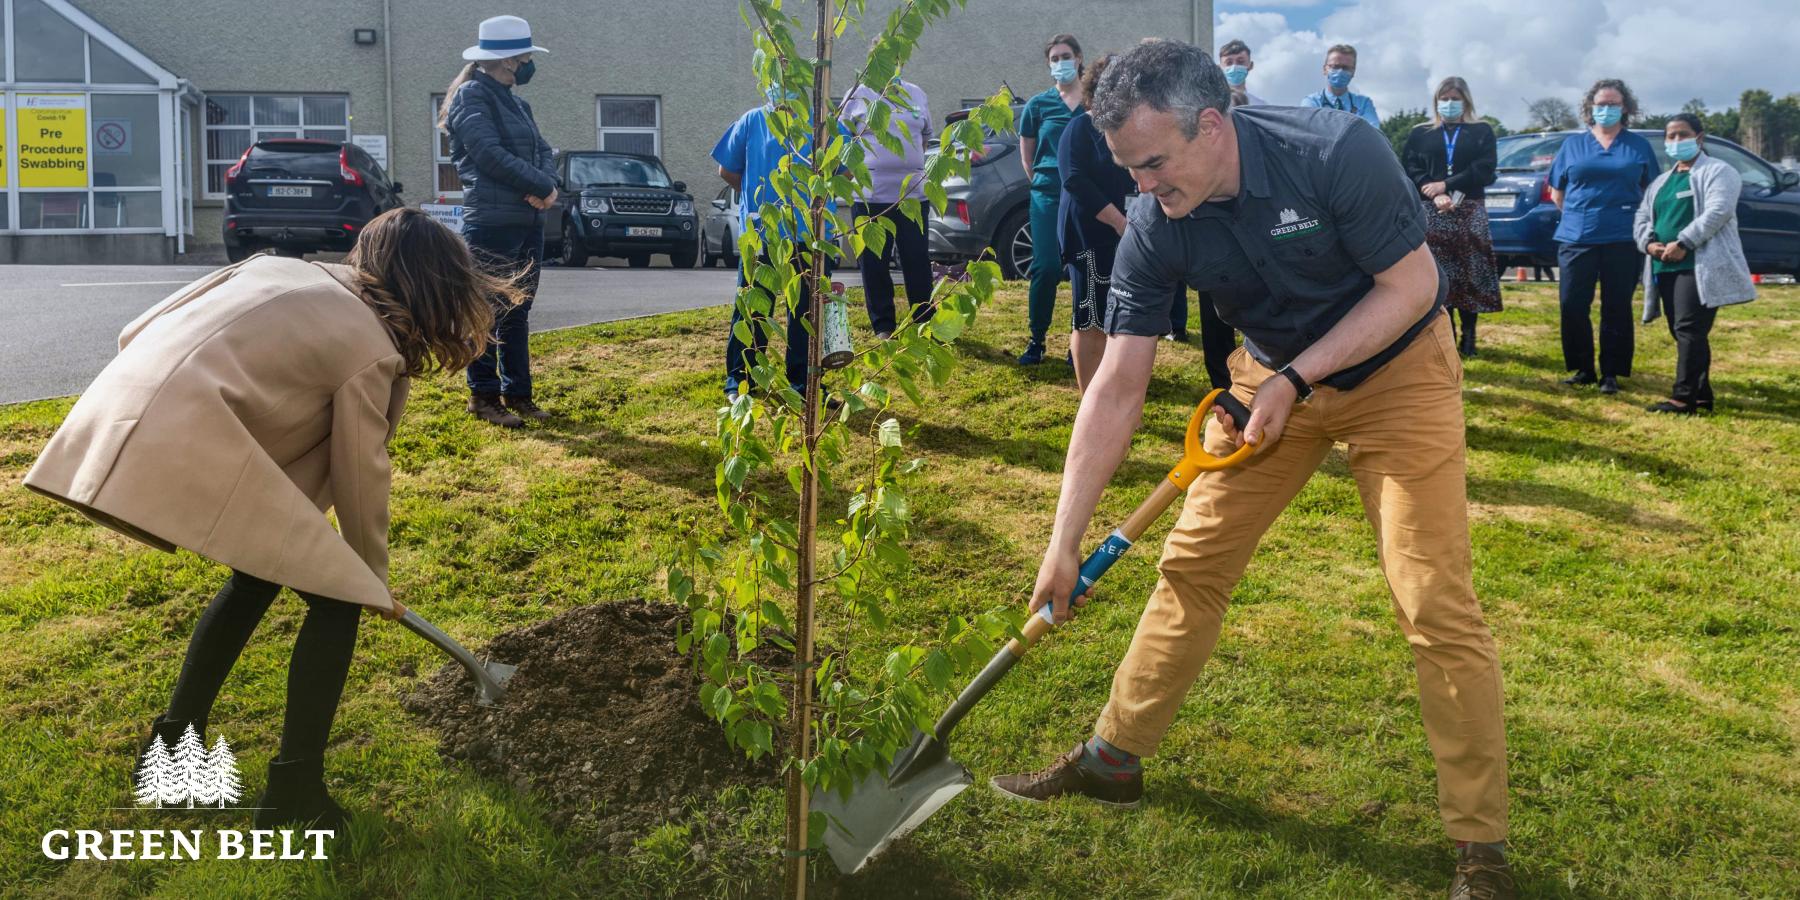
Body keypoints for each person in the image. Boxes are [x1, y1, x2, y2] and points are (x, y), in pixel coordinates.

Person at [989, 40, 1514, 900]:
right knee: (1191, 564)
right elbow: (1118, 385)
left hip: (1398, 375)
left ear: (1211, 124)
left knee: (1432, 600)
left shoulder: (1333, 152)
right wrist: (1064, 539)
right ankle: (1115, 758)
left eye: (1155, 164)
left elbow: (1414, 285)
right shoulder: (1155, 221)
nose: (1144, 190)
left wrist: (1301, 378)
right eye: (1130, 171)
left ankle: (1479, 847)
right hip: (1267, 376)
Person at [24, 209, 520, 831]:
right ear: (433, 286)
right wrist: (370, 578)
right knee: (337, 600)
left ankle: (172, 749)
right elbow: (360, 474)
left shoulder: (274, 267)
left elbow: (136, 330)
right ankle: (294, 795)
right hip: (185, 441)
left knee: (257, 574)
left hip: (115, 415)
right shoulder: (366, 345)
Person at [441, 14, 556, 428]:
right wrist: (540, 185)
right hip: (491, 221)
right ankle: (484, 397)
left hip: (527, 219)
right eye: (525, 56)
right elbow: (488, 153)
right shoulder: (472, 96)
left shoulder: (517, 103)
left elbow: (545, 151)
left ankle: (518, 394)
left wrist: (546, 186)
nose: (528, 63)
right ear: (507, 60)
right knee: (486, 311)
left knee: (518, 310)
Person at [713, 83, 841, 399]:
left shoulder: (822, 124)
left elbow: (843, 169)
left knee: (807, 314)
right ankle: (742, 380)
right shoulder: (753, 121)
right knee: (753, 309)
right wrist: (759, 195)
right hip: (763, 234)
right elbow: (726, 169)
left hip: (810, 236)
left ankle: (804, 385)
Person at [1635, 114, 1756, 414]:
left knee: (1690, 328)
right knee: (1682, 331)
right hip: (1664, 264)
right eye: (1670, 136)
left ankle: (1683, 398)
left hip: (1699, 265)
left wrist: (1684, 243)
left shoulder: (1720, 172)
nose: (1676, 141)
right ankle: (1702, 394)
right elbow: (1642, 217)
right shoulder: (1661, 182)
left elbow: (1718, 211)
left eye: (1682, 134)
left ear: (1699, 138)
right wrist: (1649, 243)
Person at [1549, 78, 1659, 394]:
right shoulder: (1572, 145)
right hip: (1576, 236)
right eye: (1601, 104)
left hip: (1622, 237)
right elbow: (1558, 191)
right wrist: (1580, 214)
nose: (1606, 109)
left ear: (1625, 109)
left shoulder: (1637, 146)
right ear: (1590, 108)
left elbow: (1649, 190)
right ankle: (1582, 368)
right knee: (1572, 304)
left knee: (1616, 305)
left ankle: (1611, 372)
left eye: (1613, 104)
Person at [1403, 76, 1501, 357]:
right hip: (1431, 211)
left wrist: (1448, 185)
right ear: (1436, 102)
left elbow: (1485, 168)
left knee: (1468, 275)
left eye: (1455, 98)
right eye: (1444, 99)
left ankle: (1469, 335)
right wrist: (1433, 192)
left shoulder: (1481, 131)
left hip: (1467, 209)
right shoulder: (1421, 133)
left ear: (1466, 101)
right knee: (1437, 275)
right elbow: (1409, 166)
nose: (1449, 104)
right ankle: (1446, 332)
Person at [1056, 54, 1133, 392]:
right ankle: (1091, 396)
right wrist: (1118, 222)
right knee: (1090, 317)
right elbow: (1074, 179)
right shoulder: (1080, 127)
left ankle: (1112, 391)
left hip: (1124, 236)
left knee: (1118, 318)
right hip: (1089, 236)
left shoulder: (1128, 130)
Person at [845, 75, 934, 341]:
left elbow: (925, 138)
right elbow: (844, 140)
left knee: (916, 259)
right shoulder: (857, 94)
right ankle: (883, 326)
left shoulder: (916, 92)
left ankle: (923, 322)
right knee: (874, 264)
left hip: (912, 196)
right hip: (869, 197)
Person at [1016, 33, 1085, 365]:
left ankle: (1080, 342)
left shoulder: (1095, 104)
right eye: (1055, 59)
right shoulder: (1038, 105)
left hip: (1086, 197)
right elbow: (1027, 157)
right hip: (1046, 195)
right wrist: (1044, 182)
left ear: (1080, 58)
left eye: (1066, 56)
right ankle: (1036, 340)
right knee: (1045, 266)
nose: (1061, 63)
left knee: (1082, 268)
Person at [1300, 44, 1379, 128]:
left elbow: (1372, 133)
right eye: (1335, 67)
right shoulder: (1311, 102)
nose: (1340, 71)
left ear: (1353, 72)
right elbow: (1307, 131)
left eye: (1346, 68)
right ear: (1325, 69)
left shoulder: (1364, 104)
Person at [1217, 39, 1264, 107]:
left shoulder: (1260, 105)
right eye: (1229, 63)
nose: (1234, 66)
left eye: (1240, 61)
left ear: (1250, 65)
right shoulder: (1213, 104)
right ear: (1219, 68)